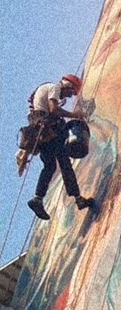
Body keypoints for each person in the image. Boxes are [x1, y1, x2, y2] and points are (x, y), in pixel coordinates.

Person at [23, 74, 95, 221]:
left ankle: (38, 198)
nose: (69, 97)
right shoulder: (54, 88)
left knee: (50, 166)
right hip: (48, 129)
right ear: (67, 85)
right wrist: (75, 115)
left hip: (42, 134)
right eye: (71, 92)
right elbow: (54, 109)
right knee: (64, 162)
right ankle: (77, 198)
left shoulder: (45, 90)